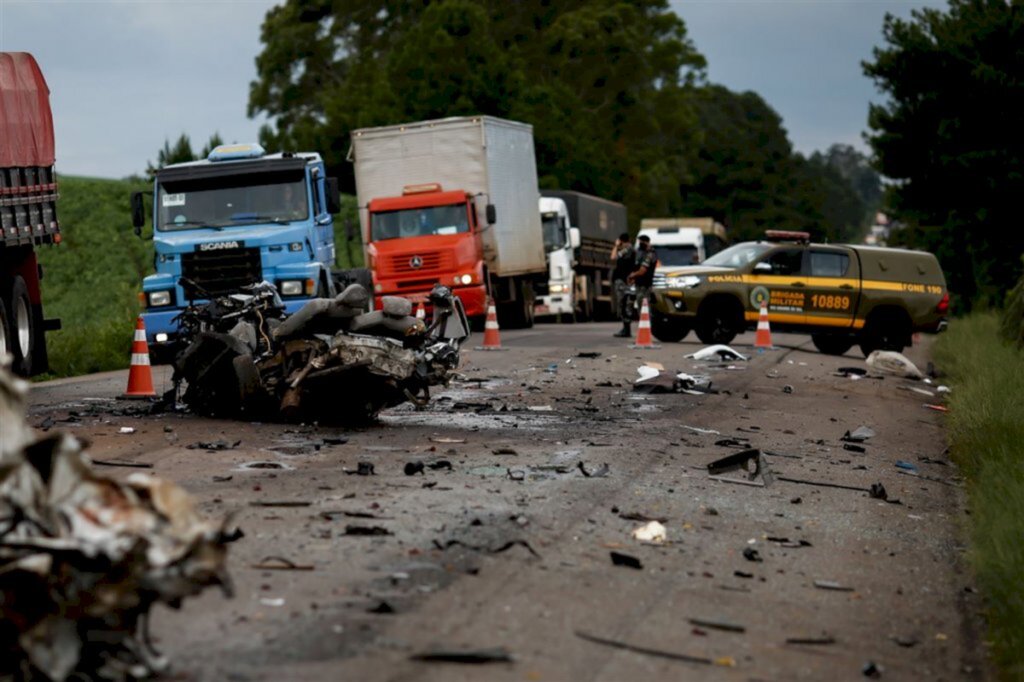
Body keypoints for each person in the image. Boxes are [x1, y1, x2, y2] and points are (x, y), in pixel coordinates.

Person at [625, 234, 657, 333]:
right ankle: (644, 329)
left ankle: (647, 330)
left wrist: (632, 275)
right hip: (640, 284)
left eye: (641, 241)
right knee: (640, 307)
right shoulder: (642, 253)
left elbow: (643, 270)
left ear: (646, 242)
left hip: (645, 285)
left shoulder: (650, 254)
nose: (640, 243)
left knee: (644, 308)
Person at [611, 232, 636, 338]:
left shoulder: (628, 249)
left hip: (623, 281)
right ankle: (626, 329)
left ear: (621, 240)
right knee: (624, 304)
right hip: (624, 280)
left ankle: (626, 330)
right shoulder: (630, 249)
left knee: (623, 304)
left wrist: (616, 246)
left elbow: (613, 257)